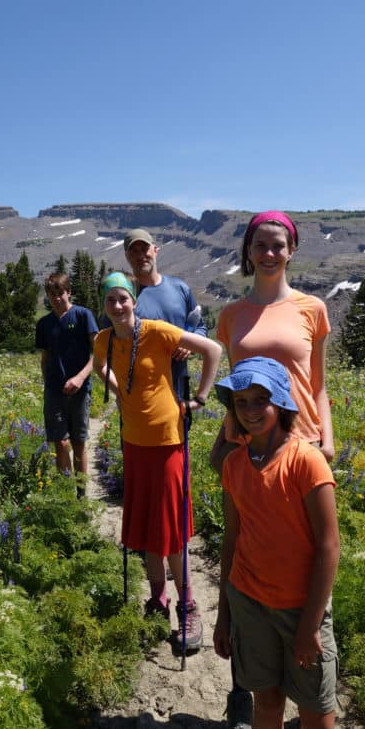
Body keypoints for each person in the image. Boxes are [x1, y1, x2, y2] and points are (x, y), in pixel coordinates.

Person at [211, 210, 335, 729]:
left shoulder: (312, 308)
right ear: (247, 250)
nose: (268, 252)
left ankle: (313, 705)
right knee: (250, 565)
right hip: (246, 449)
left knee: (305, 560)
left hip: (301, 454)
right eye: (259, 244)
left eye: (278, 244)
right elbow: (238, 388)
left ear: (291, 250)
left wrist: (325, 440)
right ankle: (250, 711)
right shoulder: (231, 315)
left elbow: (319, 387)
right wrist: (223, 438)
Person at [213, 357, 339, 729]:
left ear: (282, 402)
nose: (249, 410)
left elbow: (328, 547)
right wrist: (223, 616)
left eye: (260, 400)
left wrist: (309, 625)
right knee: (266, 701)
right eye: (241, 401)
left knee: (318, 719)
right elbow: (231, 540)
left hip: (303, 607)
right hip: (250, 601)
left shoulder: (306, 461)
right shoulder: (233, 466)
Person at [93, 272, 222, 653]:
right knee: (150, 527)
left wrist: (198, 399)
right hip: (134, 443)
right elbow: (101, 368)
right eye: (110, 300)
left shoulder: (158, 331)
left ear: (134, 299)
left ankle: (188, 606)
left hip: (168, 441)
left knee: (171, 529)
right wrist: (121, 392)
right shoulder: (104, 339)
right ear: (104, 305)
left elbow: (212, 350)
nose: (117, 306)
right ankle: (158, 600)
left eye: (123, 298)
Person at [123, 228, 207, 398]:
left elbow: (201, 327)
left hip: (178, 385)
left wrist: (189, 346)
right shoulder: (124, 297)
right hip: (141, 391)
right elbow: (109, 341)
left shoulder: (180, 288)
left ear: (155, 250)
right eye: (134, 251)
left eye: (145, 249)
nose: (141, 256)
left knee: (180, 425)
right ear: (127, 256)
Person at [35, 272, 98, 495]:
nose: (57, 298)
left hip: (81, 391)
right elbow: (45, 357)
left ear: (68, 292)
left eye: (60, 293)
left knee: (79, 443)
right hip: (54, 391)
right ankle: (65, 495)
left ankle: (81, 495)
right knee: (60, 443)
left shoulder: (83, 316)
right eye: (52, 294)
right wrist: (47, 384)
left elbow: (98, 354)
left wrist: (80, 378)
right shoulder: (44, 324)